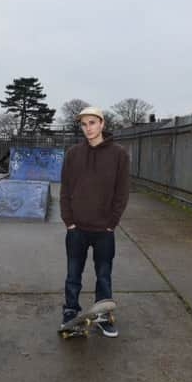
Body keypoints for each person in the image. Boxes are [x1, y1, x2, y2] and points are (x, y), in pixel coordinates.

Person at [59, 106, 130, 337]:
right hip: (77, 228)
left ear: (102, 124)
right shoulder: (73, 154)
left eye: (92, 122)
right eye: (83, 124)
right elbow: (65, 189)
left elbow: (122, 192)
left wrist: (112, 222)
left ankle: (102, 315)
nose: (87, 128)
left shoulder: (119, 154)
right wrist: (68, 220)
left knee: (104, 274)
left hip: (104, 230)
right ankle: (70, 311)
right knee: (73, 274)